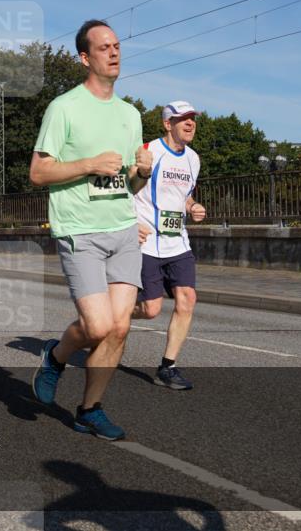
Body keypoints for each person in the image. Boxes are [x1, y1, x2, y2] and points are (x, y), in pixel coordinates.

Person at [29, 19, 153, 441]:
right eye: (104, 47)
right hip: (79, 230)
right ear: (85, 57)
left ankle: (89, 409)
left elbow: (128, 184)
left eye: (117, 45)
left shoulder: (130, 114)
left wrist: (143, 173)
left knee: (120, 328)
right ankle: (55, 355)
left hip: (121, 228)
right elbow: (38, 171)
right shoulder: (64, 108)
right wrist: (87, 164)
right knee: (97, 326)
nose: (114, 52)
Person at [133, 101, 206, 391]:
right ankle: (111, 313)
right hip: (146, 242)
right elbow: (125, 189)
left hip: (177, 243)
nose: (190, 124)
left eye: (192, 119)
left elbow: (183, 196)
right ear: (167, 124)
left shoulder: (194, 159)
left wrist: (193, 206)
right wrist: (129, 224)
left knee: (187, 298)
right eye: (182, 119)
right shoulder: (148, 151)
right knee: (150, 309)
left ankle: (167, 366)